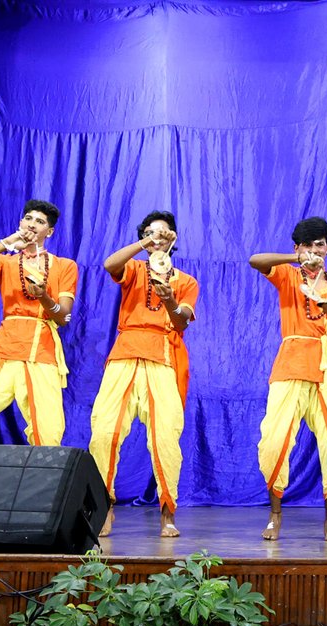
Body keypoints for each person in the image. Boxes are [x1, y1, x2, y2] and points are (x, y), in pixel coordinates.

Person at [88, 210, 199, 537]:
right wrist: (144, 244)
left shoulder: (186, 281)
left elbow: (181, 322)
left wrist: (170, 301)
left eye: (163, 233)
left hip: (162, 359)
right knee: (104, 433)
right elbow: (109, 265)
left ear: (173, 238)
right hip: (124, 356)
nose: (157, 237)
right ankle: (104, 506)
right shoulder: (135, 268)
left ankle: (167, 513)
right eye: (150, 232)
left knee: (166, 439)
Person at [248, 217, 327, 542]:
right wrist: (295, 259)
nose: (314, 251)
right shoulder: (288, 276)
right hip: (290, 368)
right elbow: (256, 261)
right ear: (297, 248)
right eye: (307, 245)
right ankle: (275, 515)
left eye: (319, 245)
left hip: (325, 374)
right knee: (274, 443)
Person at [0, 199, 78, 446]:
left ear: (49, 232)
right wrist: (5, 244)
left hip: (41, 351)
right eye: (28, 218)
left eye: (40, 221)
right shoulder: (6, 262)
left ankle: (42, 474)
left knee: (48, 435)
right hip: (4, 348)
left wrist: (43, 296)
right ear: (20, 223)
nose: (32, 224)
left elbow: (63, 317)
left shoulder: (64, 266)